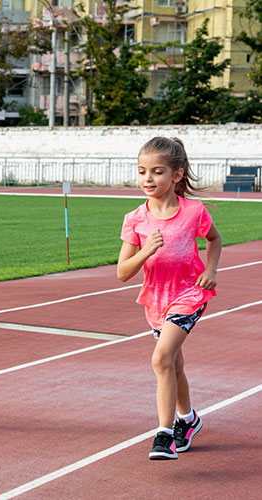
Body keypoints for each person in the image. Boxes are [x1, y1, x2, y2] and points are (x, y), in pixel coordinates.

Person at [117, 137, 221, 460]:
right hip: (156, 301)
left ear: (176, 175)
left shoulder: (193, 212)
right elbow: (122, 272)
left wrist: (211, 270)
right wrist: (145, 251)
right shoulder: (135, 219)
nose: (147, 179)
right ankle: (188, 419)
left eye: (157, 172)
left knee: (160, 359)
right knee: (173, 365)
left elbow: (214, 239)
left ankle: (164, 435)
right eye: (142, 171)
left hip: (189, 294)